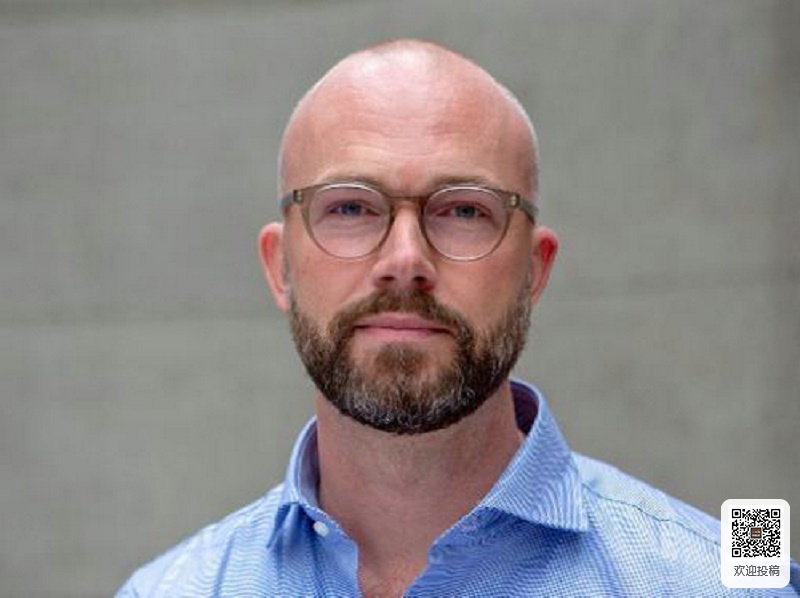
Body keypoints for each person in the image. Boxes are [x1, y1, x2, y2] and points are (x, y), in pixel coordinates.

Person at [118, 39, 798, 597]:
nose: (405, 260)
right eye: (350, 207)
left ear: (534, 271)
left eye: (464, 210)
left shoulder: (733, 581)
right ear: (280, 268)